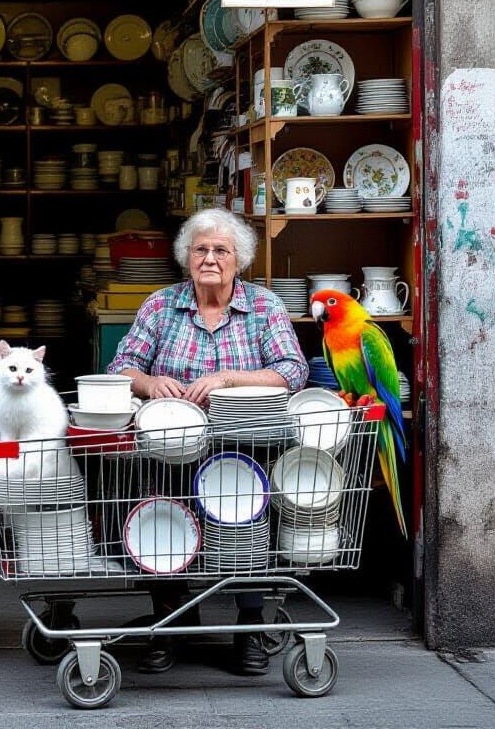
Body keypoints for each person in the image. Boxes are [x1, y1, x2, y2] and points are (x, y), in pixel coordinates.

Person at [108, 207, 308, 675]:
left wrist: (230, 379)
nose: (211, 258)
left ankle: (251, 626)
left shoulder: (264, 307)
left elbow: (292, 371)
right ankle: (171, 624)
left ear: (240, 259)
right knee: (162, 523)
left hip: (245, 444)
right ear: (186, 257)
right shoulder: (161, 305)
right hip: (170, 445)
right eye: (201, 249)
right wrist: (150, 383)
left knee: (245, 531)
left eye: (222, 250)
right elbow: (122, 366)